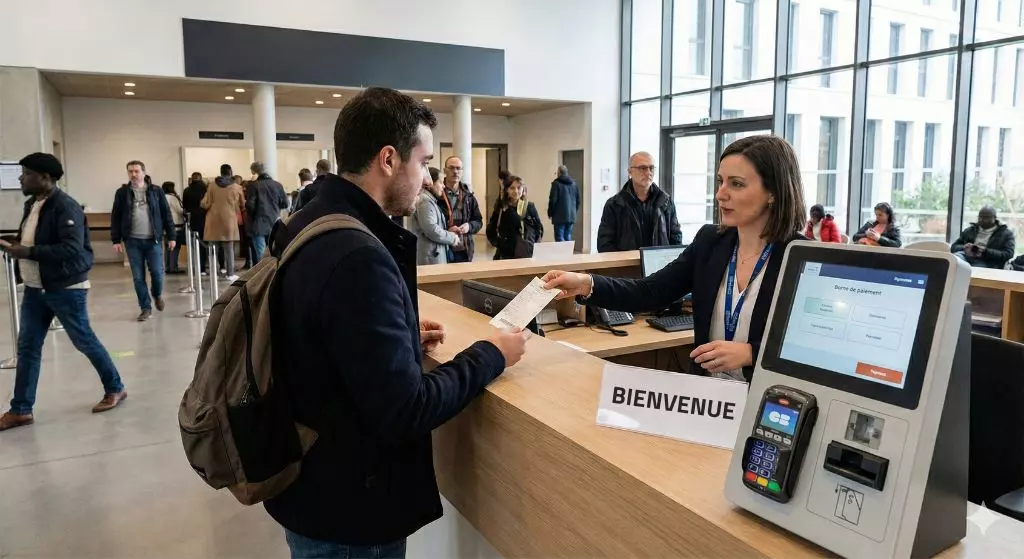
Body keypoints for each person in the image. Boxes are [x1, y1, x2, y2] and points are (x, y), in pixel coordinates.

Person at [264, 87, 529, 558]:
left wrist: (397, 331)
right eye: (424, 162)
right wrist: (492, 353)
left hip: (312, 488)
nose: (428, 178)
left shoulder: (308, 220)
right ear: (388, 159)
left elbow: (328, 340)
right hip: (350, 512)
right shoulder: (358, 255)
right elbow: (406, 409)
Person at [544, 135, 806, 382]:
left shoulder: (803, 257)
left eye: (736, 184)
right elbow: (649, 291)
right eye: (720, 181)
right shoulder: (710, 242)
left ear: (773, 192)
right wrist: (585, 283)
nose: (720, 194)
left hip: (767, 403)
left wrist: (752, 353)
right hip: (708, 398)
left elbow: (814, 346)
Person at [0, 153, 126, 432]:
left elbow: (72, 249)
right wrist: (17, 245)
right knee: (28, 347)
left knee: (84, 340)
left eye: (28, 173)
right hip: (35, 288)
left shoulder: (65, 207)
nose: (21, 178)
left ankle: (115, 387)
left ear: (46, 178)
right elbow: (37, 240)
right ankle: (20, 409)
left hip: (65, 288)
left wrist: (28, 251)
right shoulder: (33, 204)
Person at [110, 160, 176, 321]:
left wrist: (172, 236)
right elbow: (116, 217)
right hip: (132, 242)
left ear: (144, 173)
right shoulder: (122, 193)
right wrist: (116, 240)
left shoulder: (156, 191)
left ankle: (157, 294)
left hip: (153, 241)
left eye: (136, 171)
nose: (133, 174)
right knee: (138, 277)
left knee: (157, 274)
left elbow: (166, 214)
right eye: (130, 171)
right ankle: (145, 308)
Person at [596, 152, 683, 252]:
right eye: (642, 168)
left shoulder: (665, 201)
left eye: (651, 168)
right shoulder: (615, 204)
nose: (648, 172)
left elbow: (676, 237)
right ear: (630, 172)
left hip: (659, 264)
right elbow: (605, 244)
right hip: (627, 265)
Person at [201, 164, 245, 280]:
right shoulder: (236, 187)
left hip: (213, 220)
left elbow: (206, 203)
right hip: (229, 220)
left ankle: (214, 273)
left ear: (220, 172)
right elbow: (242, 204)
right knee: (229, 249)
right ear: (230, 172)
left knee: (213, 249)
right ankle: (230, 274)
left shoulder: (211, 186)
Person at [410, 166, 461, 265]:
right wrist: (452, 237)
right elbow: (431, 230)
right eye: (441, 182)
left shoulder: (429, 200)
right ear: (430, 183)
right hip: (430, 259)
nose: (444, 186)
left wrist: (447, 231)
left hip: (433, 256)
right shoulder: (425, 201)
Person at [486, 175, 543, 260]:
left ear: (523, 189)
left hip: (525, 253)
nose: (516, 191)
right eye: (512, 188)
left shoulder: (529, 206)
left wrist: (533, 243)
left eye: (519, 187)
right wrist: (499, 243)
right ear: (507, 190)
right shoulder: (501, 207)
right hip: (505, 255)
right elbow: (491, 229)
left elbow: (539, 228)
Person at [439, 156, 483, 262]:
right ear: (445, 171)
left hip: (464, 249)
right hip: (443, 247)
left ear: (462, 171)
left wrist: (469, 226)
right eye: (451, 168)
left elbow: (478, 221)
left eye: (458, 168)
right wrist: (446, 231)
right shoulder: (438, 194)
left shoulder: (469, 196)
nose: (455, 171)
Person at [245, 161, 289, 262]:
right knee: (274, 253)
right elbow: (285, 204)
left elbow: (250, 206)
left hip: (258, 223)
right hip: (275, 223)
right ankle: (273, 275)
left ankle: (262, 276)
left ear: (254, 172)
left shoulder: (254, 186)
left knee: (260, 254)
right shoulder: (278, 185)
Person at [951, 206, 1016, 269]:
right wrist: (964, 247)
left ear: (995, 218)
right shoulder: (970, 230)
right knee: (953, 260)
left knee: (973, 269)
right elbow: (954, 247)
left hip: (987, 261)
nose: (982, 220)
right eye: (980, 217)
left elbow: (1008, 254)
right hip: (965, 256)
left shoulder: (1006, 234)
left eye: (986, 217)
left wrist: (985, 251)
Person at [182, 171, 208, 274]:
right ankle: (206, 267)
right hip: (205, 219)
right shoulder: (206, 189)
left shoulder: (187, 190)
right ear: (201, 178)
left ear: (192, 179)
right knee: (206, 244)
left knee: (195, 245)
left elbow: (184, 206)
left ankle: (197, 267)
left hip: (192, 219)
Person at [548, 165, 581, 242]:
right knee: (568, 236)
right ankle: (568, 253)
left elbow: (553, 200)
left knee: (559, 237)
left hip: (559, 216)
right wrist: (574, 212)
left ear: (559, 173)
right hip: (571, 216)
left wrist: (550, 213)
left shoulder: (556, 184)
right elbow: (578, 200)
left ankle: (562, 254)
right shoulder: (574, 184)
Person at [162, 181, 186, 273]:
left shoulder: (161, 197)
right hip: (176, 226)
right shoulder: (173, 197)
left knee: (167, 248)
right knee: (175, 248)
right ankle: (173, 267)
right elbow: (180, 210)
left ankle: (167, 267)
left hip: (165, 227)